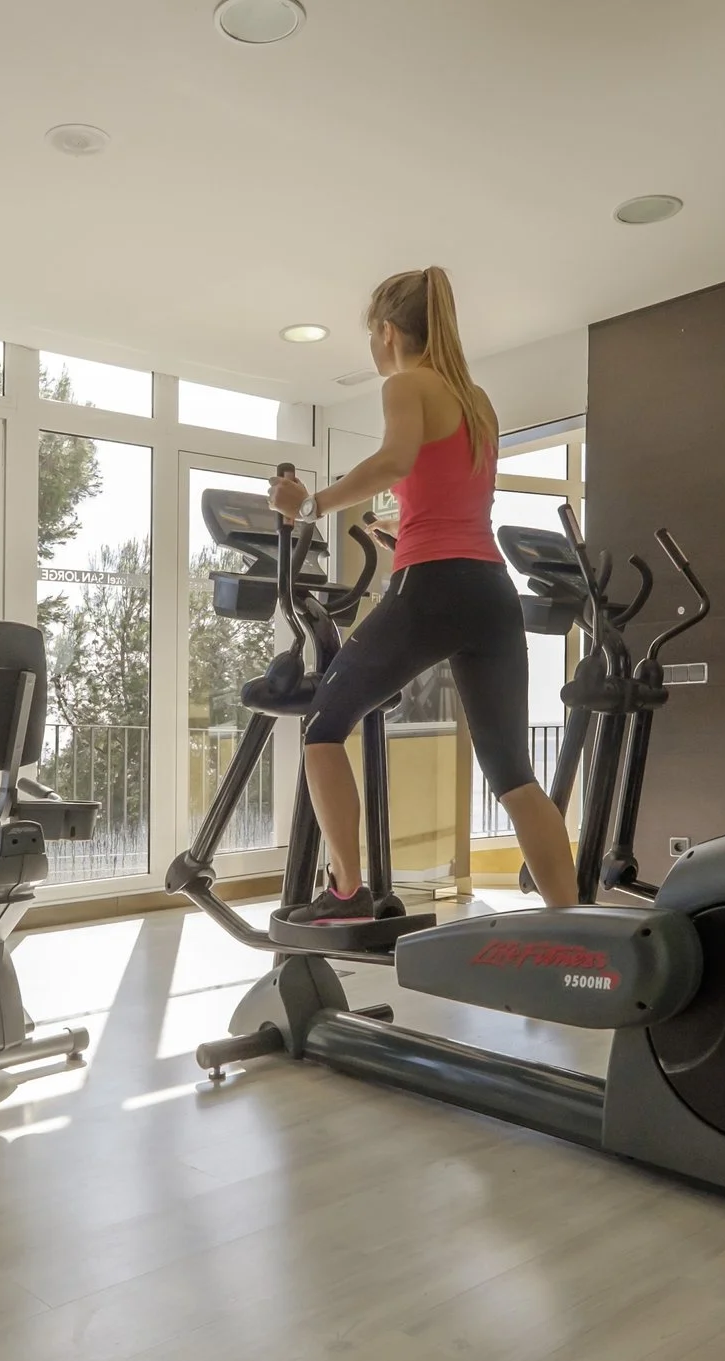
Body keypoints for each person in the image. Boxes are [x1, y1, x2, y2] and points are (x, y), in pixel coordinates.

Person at [266, 267, 578, 922]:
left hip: (432, 588)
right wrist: (396, 531)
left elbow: (395, 461)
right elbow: (448, 501)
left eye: (370, 338)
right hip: (490, 591)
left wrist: (310, 503)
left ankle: (347, 893)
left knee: (323, 729)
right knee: (513, 771)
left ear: (387, 333)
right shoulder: (476, 400)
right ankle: (576, 923)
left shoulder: (406, 383)